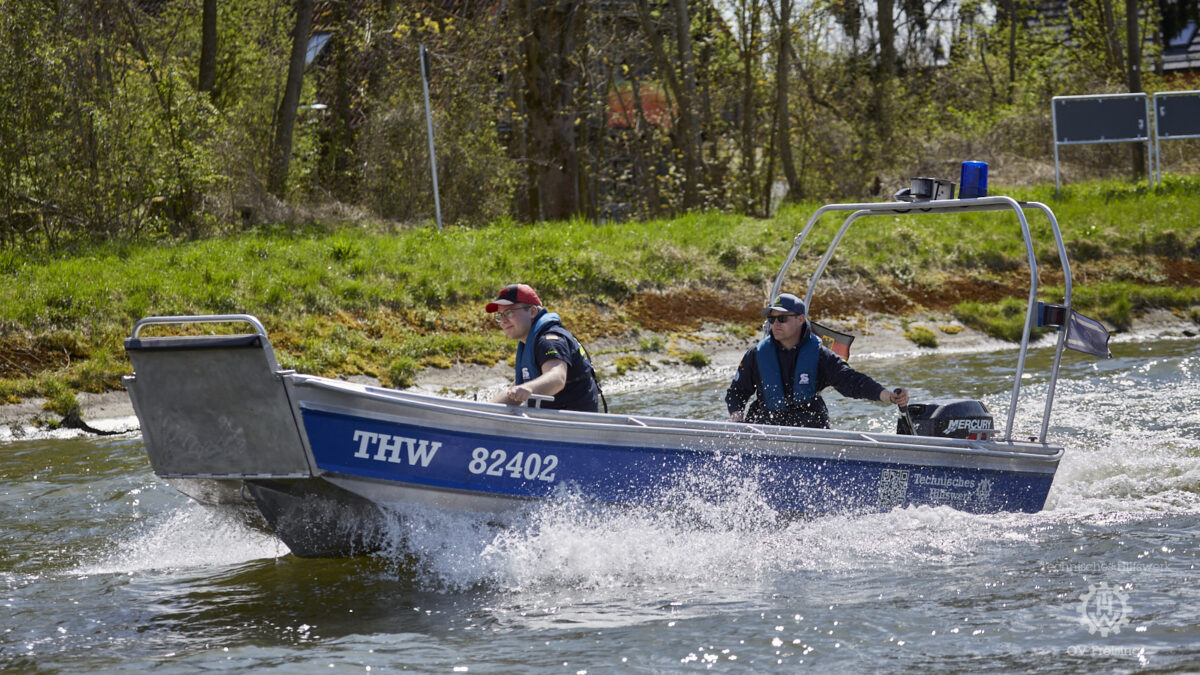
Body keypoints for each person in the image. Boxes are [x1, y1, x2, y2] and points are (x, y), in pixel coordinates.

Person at [726, 293, 908, 428]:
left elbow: (852, 382)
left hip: (807, 425)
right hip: (766, 424)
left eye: (782, 318)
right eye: (771, 319)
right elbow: (737, 392)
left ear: (800, 319)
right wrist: (737, 415)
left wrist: (888, 396)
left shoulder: (821, 354)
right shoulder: (756, 354)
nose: (775, 324)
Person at [487, 283, 600, 412]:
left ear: (532, 312)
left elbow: (557, 378)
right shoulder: (529, 343)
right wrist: (483, 410)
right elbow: (514, 393)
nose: (503, 321)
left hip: (574, 424)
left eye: (509, 312)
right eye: (500, 315)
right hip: (550, 423)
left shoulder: (549, 341)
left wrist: (529, 388)